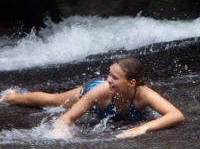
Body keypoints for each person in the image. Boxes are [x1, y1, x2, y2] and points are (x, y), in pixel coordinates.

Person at [0, 56, 184, 138]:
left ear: (132, 83)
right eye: (109, 74)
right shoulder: (101, 89)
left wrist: (142, 129)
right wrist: (61, 130)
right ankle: (11, 97)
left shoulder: (144, 94)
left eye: (115, 77)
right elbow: (67, 118)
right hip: (90, 90)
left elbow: (176, 115)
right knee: (52, 101)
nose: (108, 79)